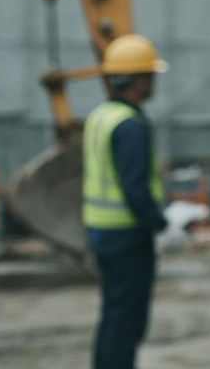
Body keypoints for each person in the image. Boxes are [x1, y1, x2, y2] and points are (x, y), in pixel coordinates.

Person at [83, 34, 170, 369]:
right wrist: (163, 224)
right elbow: (135, 189)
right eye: (150, 75)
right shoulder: (129, 126)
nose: (153, 82)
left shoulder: (100, 117)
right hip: (127, 237)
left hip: (101, 232)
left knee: (113, 316)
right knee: (127, 325)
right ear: (137, 79)